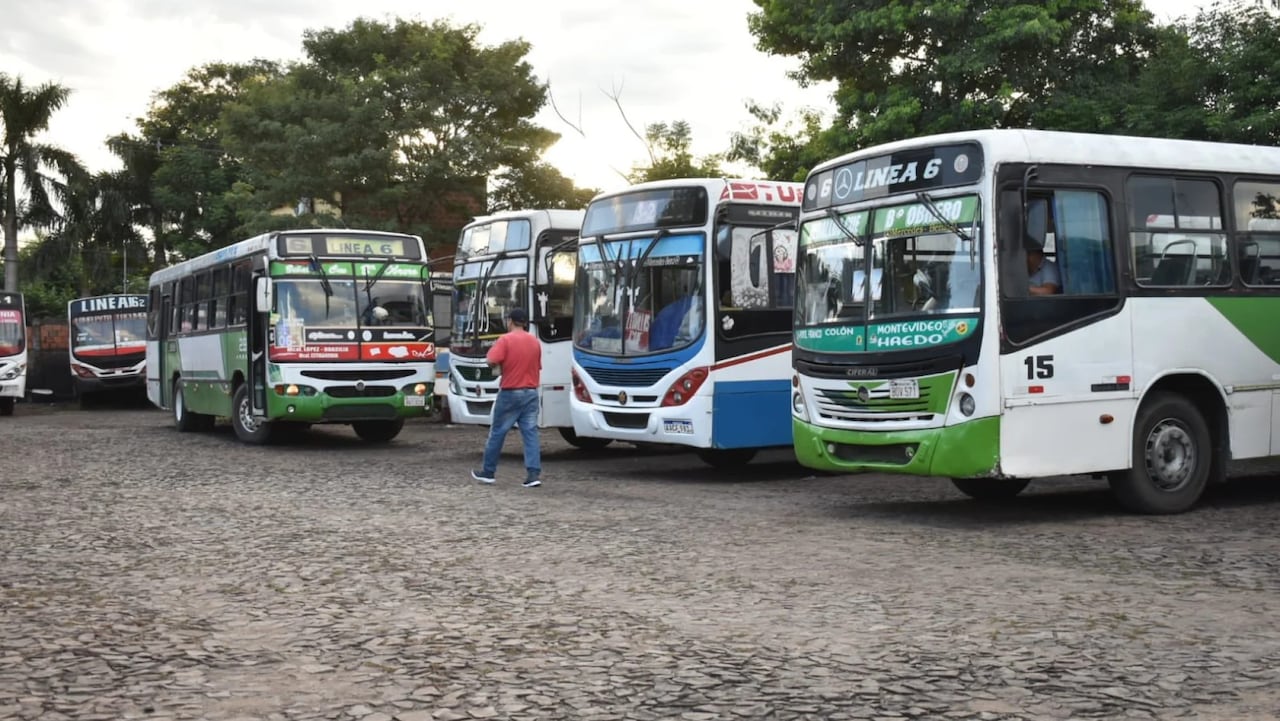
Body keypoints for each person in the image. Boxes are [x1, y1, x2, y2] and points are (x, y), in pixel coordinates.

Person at [471, 307, 543, 488]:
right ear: (525, 322)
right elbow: (537, 366)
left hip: (511, 391)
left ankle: (488, 472)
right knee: (530, 433)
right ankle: (533, 474)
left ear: (510, 321)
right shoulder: (535, 342)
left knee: (498, 432)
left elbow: (491, 360)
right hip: (531, 392)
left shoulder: (506, 340)